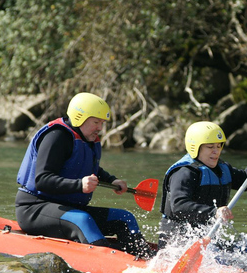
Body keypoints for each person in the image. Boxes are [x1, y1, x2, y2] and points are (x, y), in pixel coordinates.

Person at [16, 92, 153, 259]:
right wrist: (79, 185)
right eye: (96, 122)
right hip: (34, 208)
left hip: (68, 208)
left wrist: (112, 180)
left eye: (102, 123)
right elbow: (42, 180)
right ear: (79, 117)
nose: (100, 128)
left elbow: (85, 167)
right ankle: (109, 261)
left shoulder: (86, 138)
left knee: (125, 218)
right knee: (82, 220)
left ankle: (147, 260)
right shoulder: (56, 137)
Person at [158, 121, 247, 249]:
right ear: (195, 147)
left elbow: (246, 180)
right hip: (177, 241)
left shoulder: (222, 168)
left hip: (205, 239)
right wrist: (214, 212)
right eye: (210, 147)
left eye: (219, 146)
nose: (216, 151)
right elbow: (178, 206)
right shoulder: (184, 172)